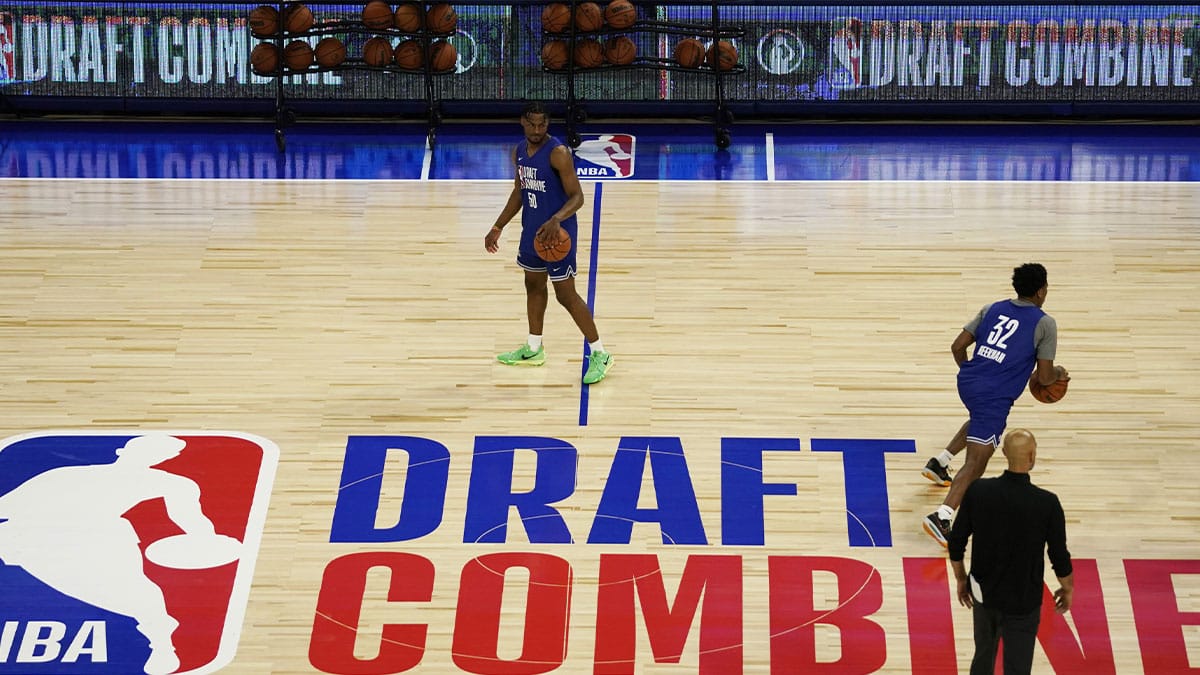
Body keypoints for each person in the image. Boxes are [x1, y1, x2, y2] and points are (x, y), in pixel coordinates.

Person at [0, 434, 220, 675]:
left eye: (159, 453)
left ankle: (162, 644)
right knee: (103, 591)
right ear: (121, 451)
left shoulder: (170, 483)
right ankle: (159, 626)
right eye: (146, 450)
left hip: (103, 536)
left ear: (164, 459)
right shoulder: (65, 475)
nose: (151, 456)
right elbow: (8, 505)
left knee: (137, 590)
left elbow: (189, 518)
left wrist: (207, 539)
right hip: (42, 536)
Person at [922, 262, 1069, 546]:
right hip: (994, 396)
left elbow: (957, 346)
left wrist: (970, 374)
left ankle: (939, 462)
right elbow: (1046, 376)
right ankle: (942, 516)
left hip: (969, 381)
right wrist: (1060, 374)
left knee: (980, 423)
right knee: (977, 462)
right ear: (1041, 291)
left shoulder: (992, 308)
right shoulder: (1045, 323)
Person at [485, 101, 613, 385]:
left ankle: (600, 353)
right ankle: (533, 348)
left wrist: (556, 219)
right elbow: (519, 192)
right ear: (522, 122)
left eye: (542, 124)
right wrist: (497, 226)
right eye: (532, 123)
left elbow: (578, 197)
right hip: (532, 233)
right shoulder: (518, 151)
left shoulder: (558, 154)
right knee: (533, 285)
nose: (537, 129)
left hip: (558, 236)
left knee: (566, 296)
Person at [948, 428, 1074, 674]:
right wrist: (1067, 588)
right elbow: (1059, 556)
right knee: (1018, 668)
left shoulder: (978, 491)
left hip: (984, 594)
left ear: (1004, 453)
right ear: (1032, 456)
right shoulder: (1047, 503)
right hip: (1023, 600)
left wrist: (962, 578)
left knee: (983, 657)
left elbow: (956, 543)